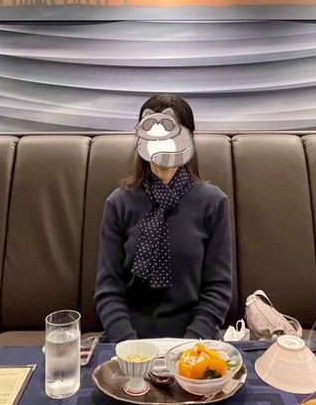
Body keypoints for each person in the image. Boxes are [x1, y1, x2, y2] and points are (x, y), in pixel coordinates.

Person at [94, 93, 233, 342]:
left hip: (194, 340)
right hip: (131, 339)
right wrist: (129, 346)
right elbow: (109, 289)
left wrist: (190, 345)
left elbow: (217, 288)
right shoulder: (119, 203)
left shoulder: (213, 202)